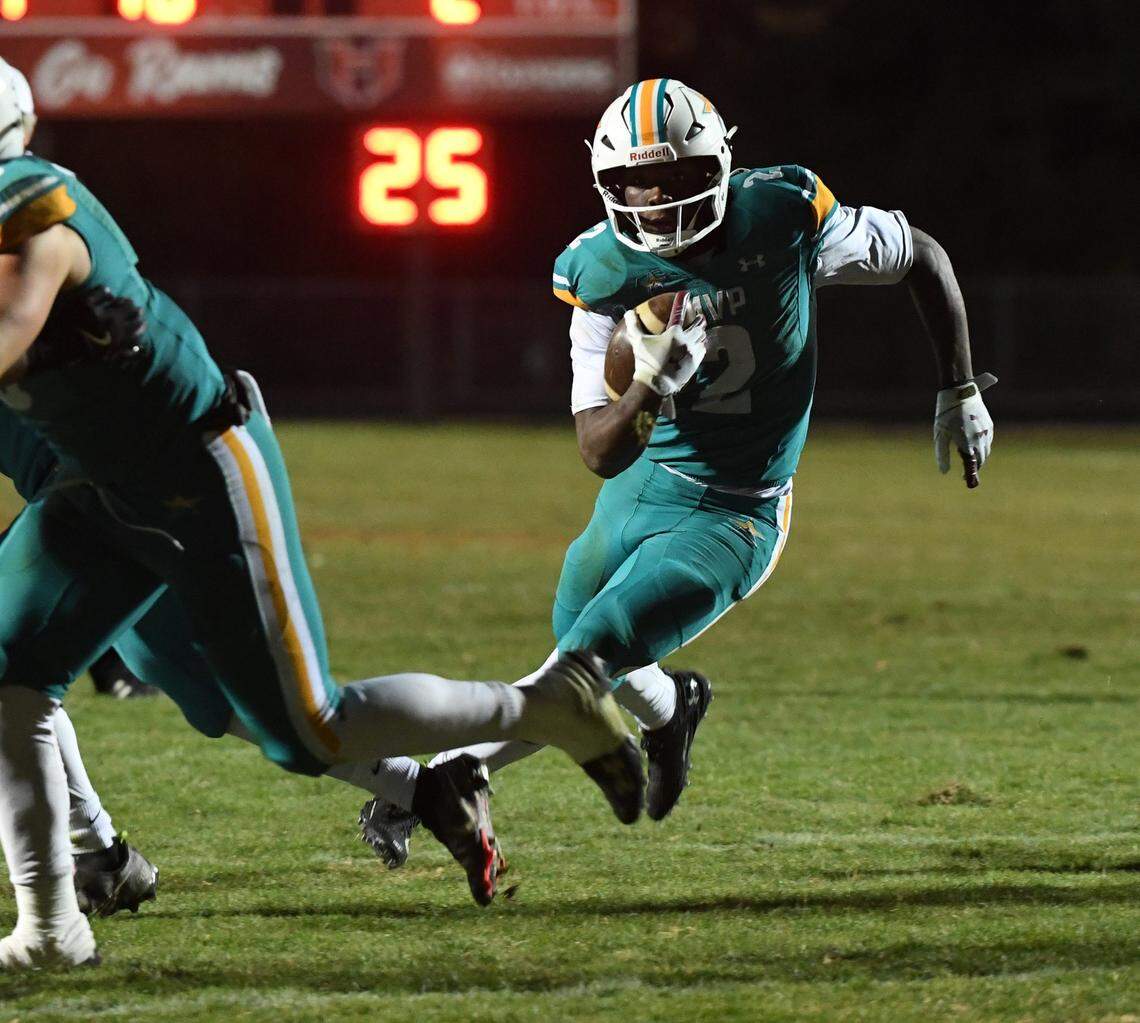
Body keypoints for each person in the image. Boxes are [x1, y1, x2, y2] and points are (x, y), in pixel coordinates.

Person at [0, 71, 644, 970]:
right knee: (16, 676)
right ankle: (56, 923)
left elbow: (11, 322)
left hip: (197, 469)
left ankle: (541, 706)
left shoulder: (36, 218)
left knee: (306, 727)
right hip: (94, 488)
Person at [357, 78, 995, 868]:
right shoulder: (597, 270)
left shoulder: (782, 214)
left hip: (738, 508)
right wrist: (646, 388)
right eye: (635, 185)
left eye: (675, 181)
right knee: (583, 644)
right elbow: (598, 450)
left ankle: (441, 783)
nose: (656, 203)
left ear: (719, 167)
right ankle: (674, 710)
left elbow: (922, 257)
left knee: (582, 664)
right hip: (642, 483)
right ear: (605, 184)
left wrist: (959, 386)